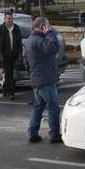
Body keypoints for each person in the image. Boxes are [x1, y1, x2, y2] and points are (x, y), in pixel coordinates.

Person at [25, 16, 61, 144]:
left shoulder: (29, 40)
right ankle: (55, 134)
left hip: (37, 79)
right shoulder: (38, 40)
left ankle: (32, 133)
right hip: (45, 80)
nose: (49, 27)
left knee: (38, 107)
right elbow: (53, 47)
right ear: (42, 27)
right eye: (47, 25)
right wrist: (49, 32)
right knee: (53, 107)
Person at [0, 11, 23, 99]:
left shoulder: (16, 28)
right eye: (8, 19)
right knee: (8, 73)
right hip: (4, 56)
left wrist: (20, 53)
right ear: (4, 19)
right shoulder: (0, 29)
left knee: (10, 73)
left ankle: (5, 89)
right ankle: (11, 93)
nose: (10, 20)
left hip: (14, 55)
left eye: (11, 18)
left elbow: (19, 42)